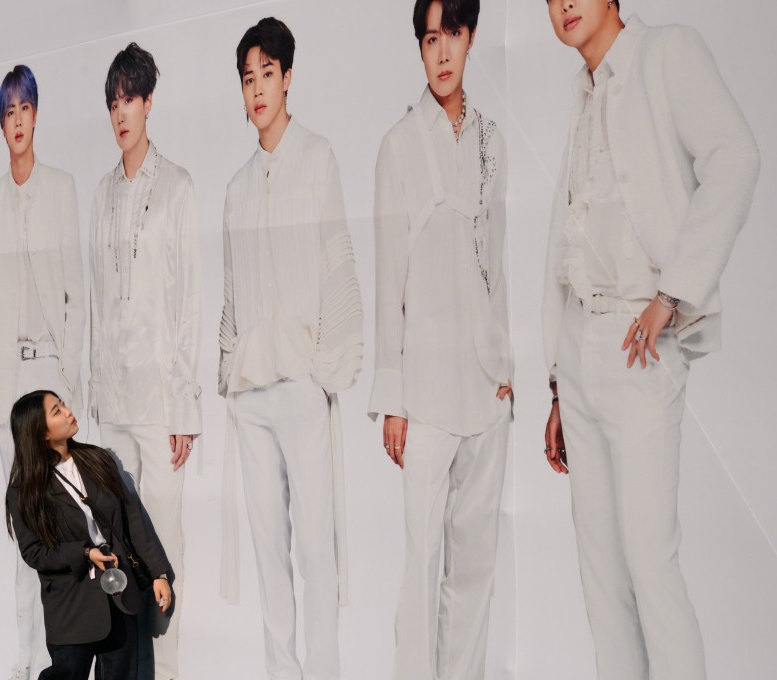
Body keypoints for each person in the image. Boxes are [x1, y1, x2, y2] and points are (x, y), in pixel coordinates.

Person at [540, 2, 760, 678]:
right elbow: (566, 240)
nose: (563, 4)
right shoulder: (582, 92)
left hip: (639, 346)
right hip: (579, 346)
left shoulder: (666, 51)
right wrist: (557, 383)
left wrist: (674, 292)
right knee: (601, 579)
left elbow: (737, 156)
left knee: (650, 567)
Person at [369, 1, 513, 677]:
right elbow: (388, 275)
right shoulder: (399, 144)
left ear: (471, 37)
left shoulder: (492, 142)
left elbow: (497, 263)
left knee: (475, 568)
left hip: (486, 387)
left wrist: (507, 368)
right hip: (423, 396)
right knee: (421, 564)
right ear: (420, 48)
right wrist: (392, 398)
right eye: (431, 39)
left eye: (452, 35)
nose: (443, 52)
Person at [218, 17, 363, 680]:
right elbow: (231, 291)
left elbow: (338, 264)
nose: (257, 89)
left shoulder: (317, 157)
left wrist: (326, 369)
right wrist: (229, 369)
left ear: (288, 78)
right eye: (248, 78)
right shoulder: (237, 187)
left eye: (267, 75)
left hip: (303, 385)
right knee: (268, 554)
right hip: (252, 394)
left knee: (316, 552)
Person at [89, 42, 201, 680]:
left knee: (163, 558)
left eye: (129, 98)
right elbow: (98, 302)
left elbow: (188, 301)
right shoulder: (101, 195)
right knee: (116, 563)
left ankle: (171, 672)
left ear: (149, 102)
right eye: (113, 102)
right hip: (114, 405)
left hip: (160, 407)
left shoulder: (177, 186)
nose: (120, 113)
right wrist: (94, 399)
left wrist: (185, 407)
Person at [0, 63, 85, 680]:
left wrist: (70, 385)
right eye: (7, 112)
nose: (17, 121)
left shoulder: (62, 189)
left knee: (64, 524)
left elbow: (76, 295)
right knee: (25, 537)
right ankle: (25, 665)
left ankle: (63, 662)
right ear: (0, 124)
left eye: (24, 109)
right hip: (9, 387)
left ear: (36, 116)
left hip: (50, 376)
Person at [6, 390, 173, 680]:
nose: (68, 412)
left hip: (120, 597)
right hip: (72, 608)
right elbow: (34, 552)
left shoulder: (97, 459)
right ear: (41, 432)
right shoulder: (25, 489)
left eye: (63, 405)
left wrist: (158, 573)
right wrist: (84, 553)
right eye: (57, 411)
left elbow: (132, 519)